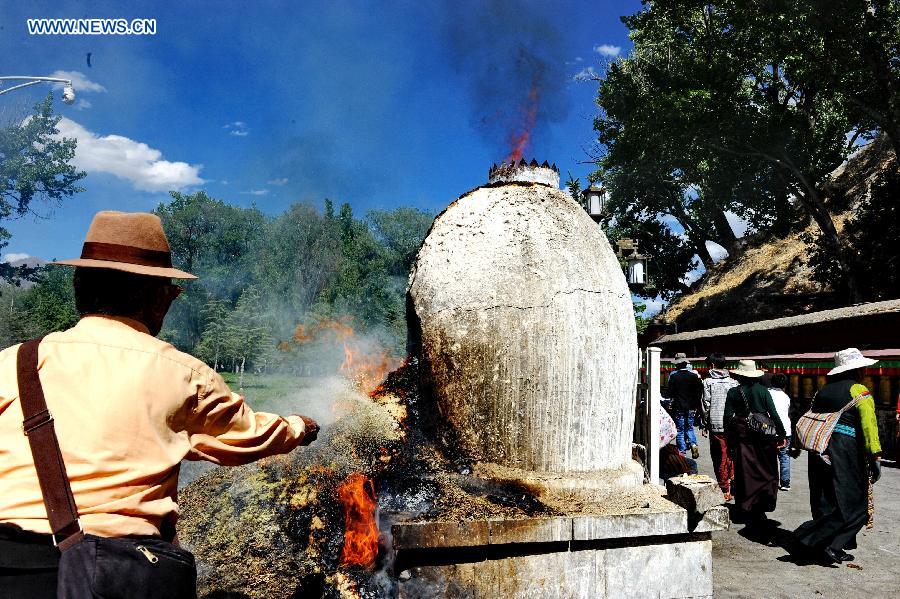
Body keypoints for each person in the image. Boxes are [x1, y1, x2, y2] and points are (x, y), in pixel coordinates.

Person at [0, 211, 320, 597]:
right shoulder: (179, 373)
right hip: (120, 572)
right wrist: (300, 427)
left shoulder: (12, 362)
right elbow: (246, 436)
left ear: (79, 286)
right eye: (170, 291)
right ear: (153, 296)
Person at [794, 348, 882, 565]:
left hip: (819, 449)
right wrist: (875, 456)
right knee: (857, 504)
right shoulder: (859, 391)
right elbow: (869, 427)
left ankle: (831, 545)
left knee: (826, 498)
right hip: (845, 451)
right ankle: (827, 544)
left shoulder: (821, 391)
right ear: (858, 370)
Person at [723, 359, 787, 540]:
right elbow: (773, 414)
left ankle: (746, 506)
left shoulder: (734, 392)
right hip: (764, 438)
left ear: (739, 375)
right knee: (767, 471)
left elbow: (727, 417)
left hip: (743, 438)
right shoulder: (763, 391)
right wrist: (781, 435)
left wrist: (730, 441)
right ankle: (762, 505)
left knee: (745, 472)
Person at [701, 353, 738, 500]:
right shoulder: (734, 382)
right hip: (732, 424)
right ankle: (732, 481)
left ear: (712, 366)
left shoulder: (708, 382)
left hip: (716, 424)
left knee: (719, 456)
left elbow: (706, 404)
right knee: (730, 454)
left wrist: (704, 423)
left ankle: (724, 488)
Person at [664, 353, 704, 459]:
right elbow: (699, 392)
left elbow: (670, 393)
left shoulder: (674, 376)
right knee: (689, 428)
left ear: (677, 365)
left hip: (679, 407)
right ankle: (693, 444)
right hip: (691, 407)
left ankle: (682, 451)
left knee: (680, 429)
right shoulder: (694, 376)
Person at [765, 372, 793, 491]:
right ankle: (785, 483)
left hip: (769, 429)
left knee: (769, 456)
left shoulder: (767, 393)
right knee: (784, 456)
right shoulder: (786, 396)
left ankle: (770, 480)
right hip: (785, 430)